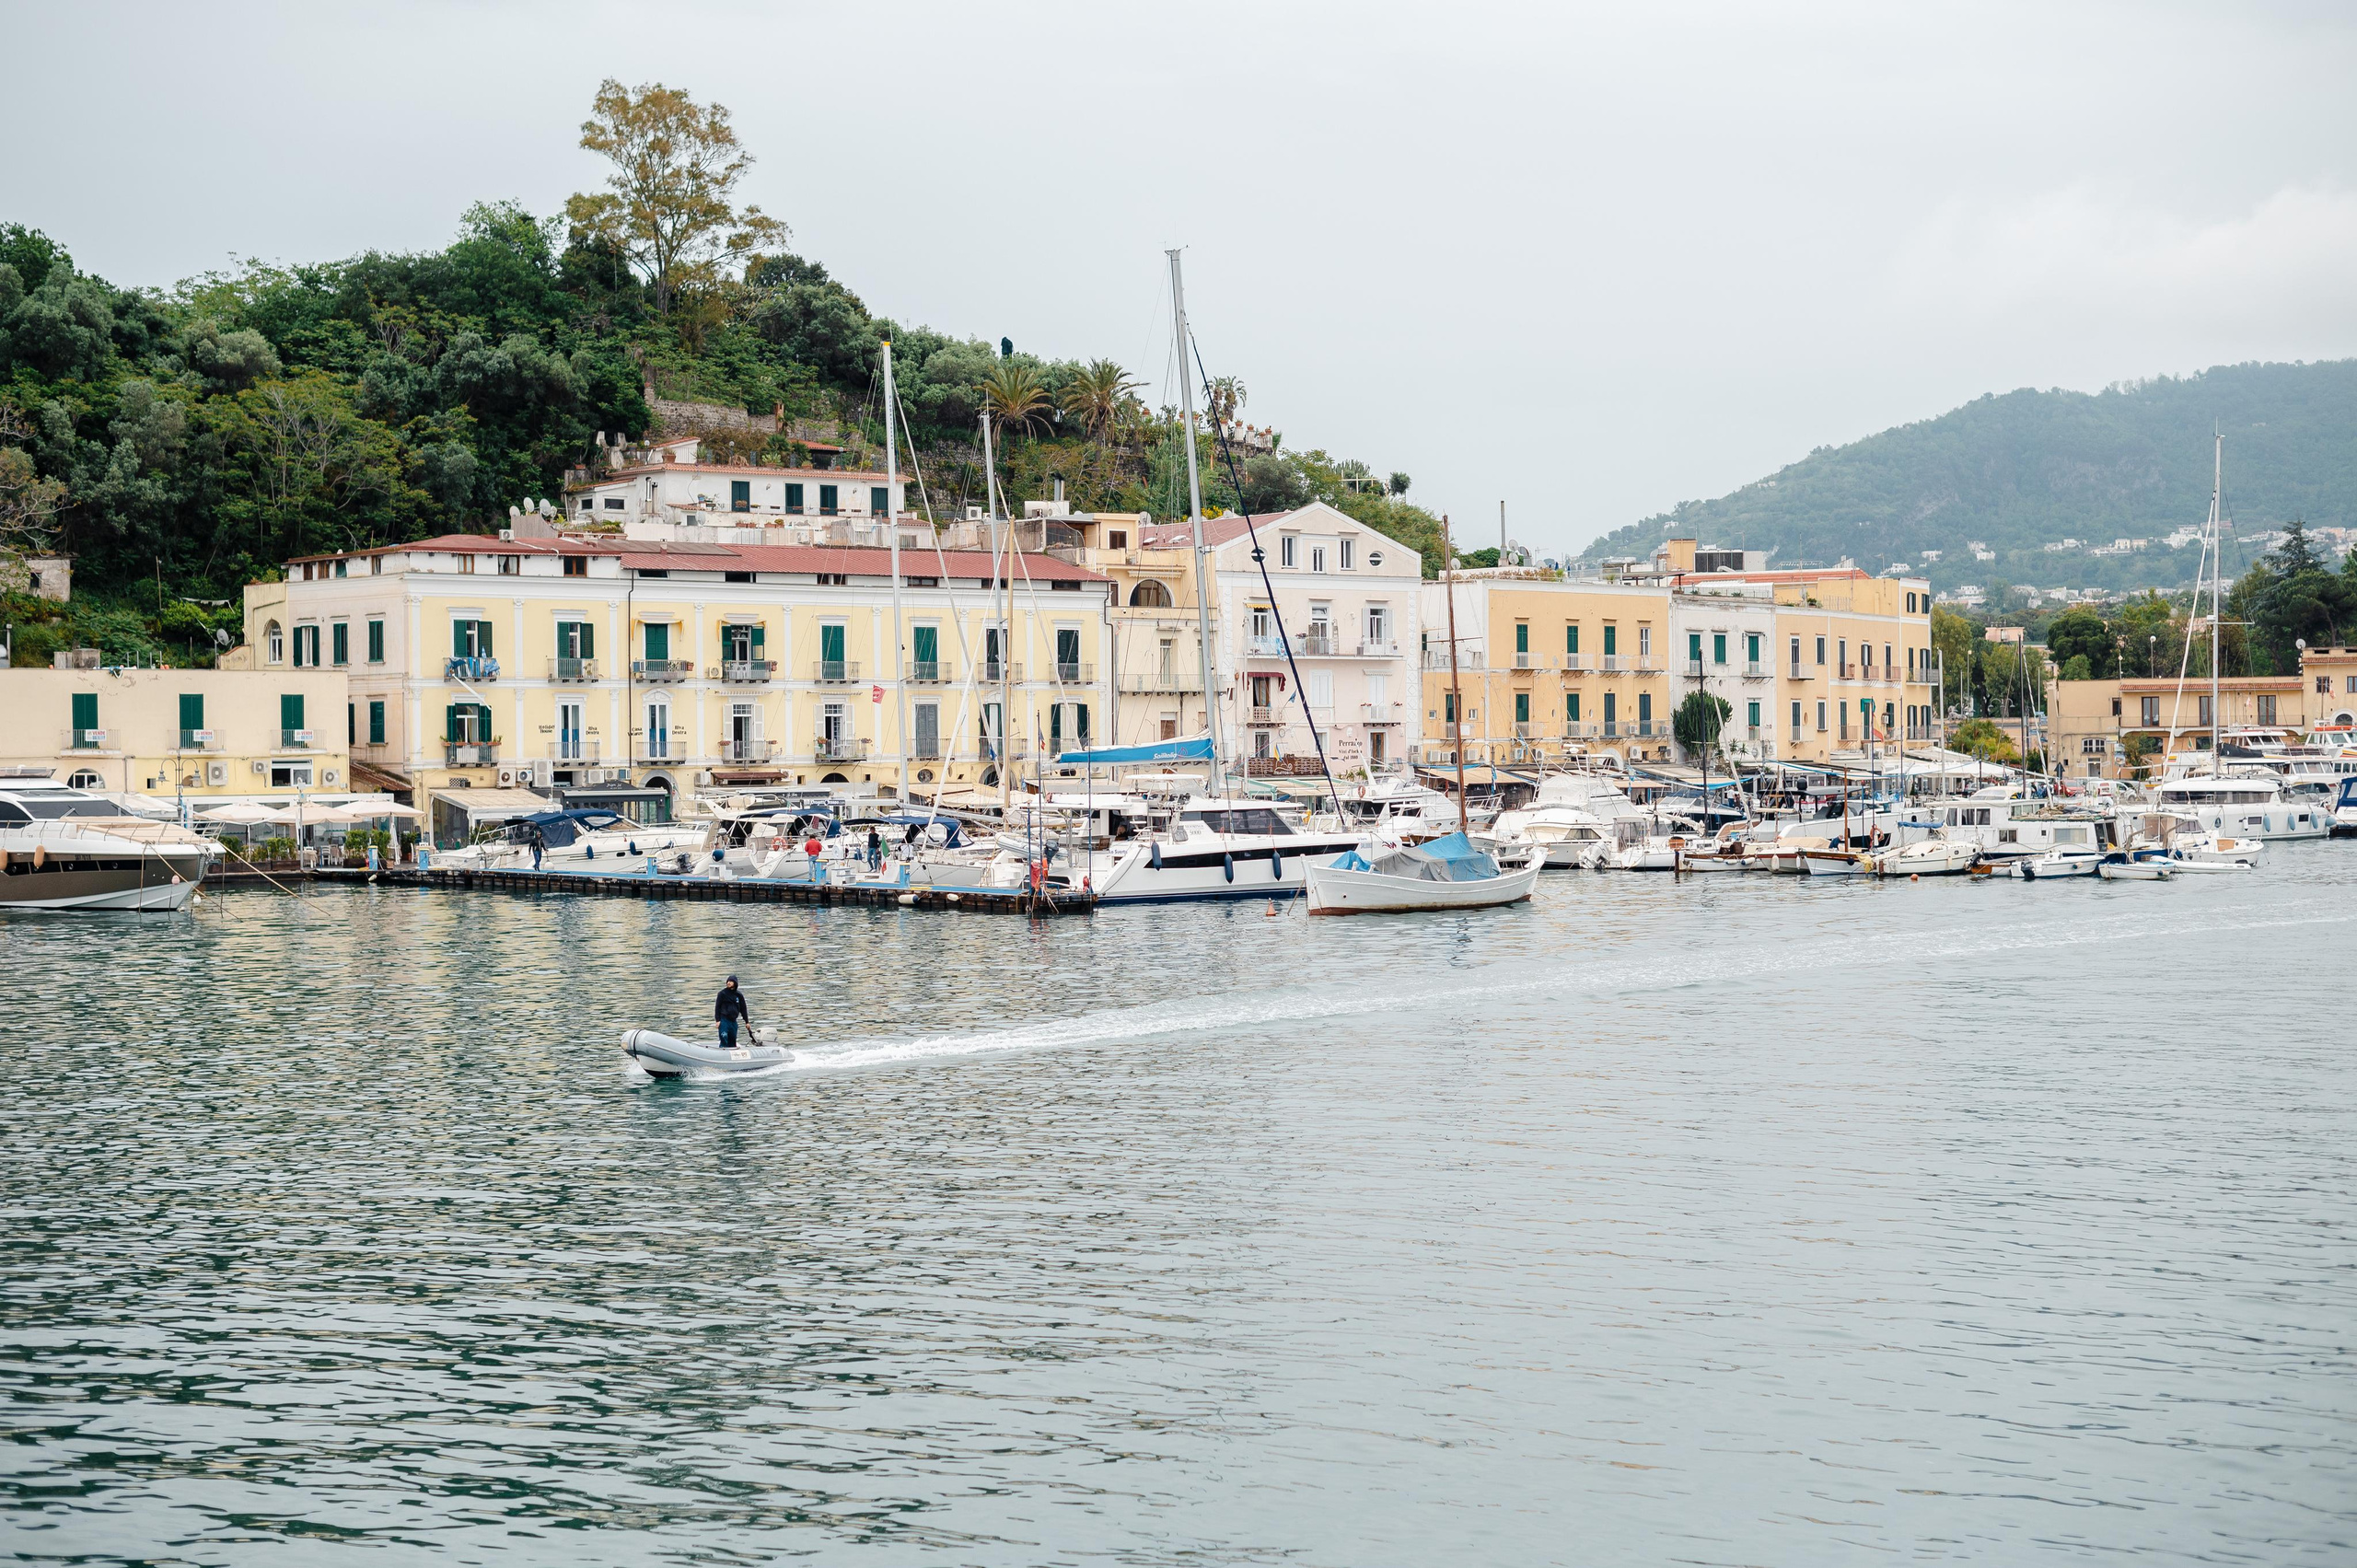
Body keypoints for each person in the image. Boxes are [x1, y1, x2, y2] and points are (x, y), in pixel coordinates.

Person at [714, 976, 752, 1050]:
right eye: (728, 981)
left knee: (732, 1040)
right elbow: (717, 1008)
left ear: (735, 983)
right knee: (724, 1037)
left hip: (733, 1021)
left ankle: (731, 1055)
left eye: (731, 981)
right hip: (724, 1020)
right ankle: (722, 1051)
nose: (728, 983)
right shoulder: (722, 994)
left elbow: (743, 1009)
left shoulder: (739, 995)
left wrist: (747, 1022)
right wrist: (718, 1020)